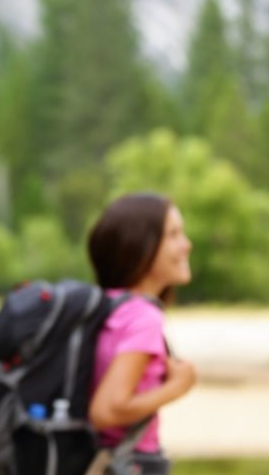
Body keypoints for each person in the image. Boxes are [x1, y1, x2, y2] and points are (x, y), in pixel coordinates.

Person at [86, 192, 197, 474]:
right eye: (173, 235)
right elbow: (107, 411)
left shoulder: (106, 305)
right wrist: (177, 387)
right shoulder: (143, 318)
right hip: (130, 462)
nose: (186, 245)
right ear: (141, 246)